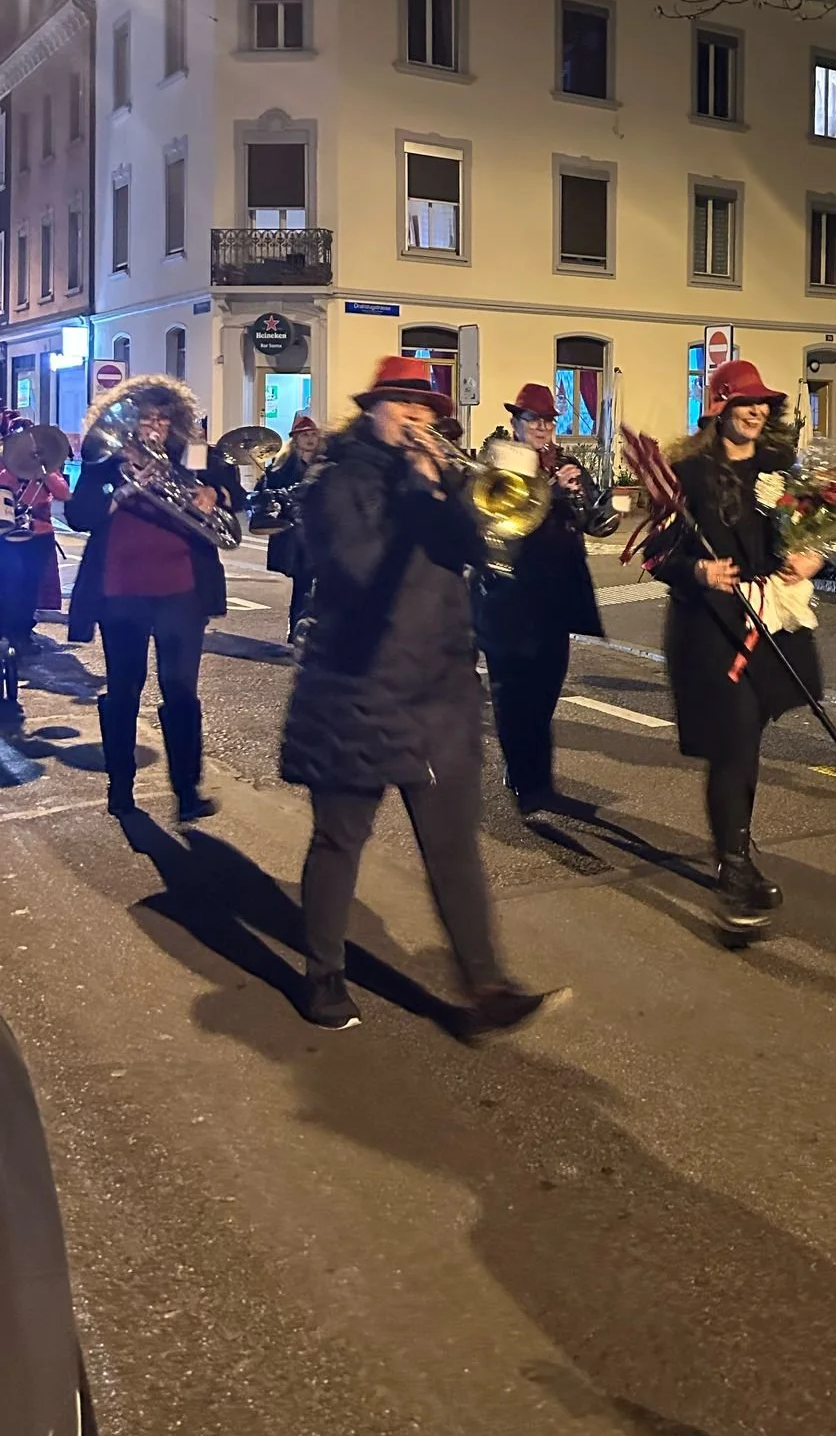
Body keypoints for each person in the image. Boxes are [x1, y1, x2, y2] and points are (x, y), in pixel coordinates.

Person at [279, 356, 569, 1034]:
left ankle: (487, 985)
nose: (419, 419)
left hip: (441, 687)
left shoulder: (442, 480)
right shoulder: (335, 482)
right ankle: (322, 975)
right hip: (356, 687)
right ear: (373, 409)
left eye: (428, 410)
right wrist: (417, 493)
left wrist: (479, 492)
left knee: (454, 846)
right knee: (339, 839)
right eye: (403, 405)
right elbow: (354, 573)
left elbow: (493, 545)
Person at [647, 359, 824, 934]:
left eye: (763, 404)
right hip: (711, 631)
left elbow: (816, 531)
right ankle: (735, 864)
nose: (756, 411)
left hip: (769, 620)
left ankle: (735, 851)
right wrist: (697, 572)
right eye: (744, 402)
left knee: (747, 739)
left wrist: (814, 556)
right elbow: (657, 554)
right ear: (719, 407)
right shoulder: (690, 473)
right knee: (736, 740)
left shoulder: (782, 468)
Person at [65, 375, 242, 822]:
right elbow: (79, 514)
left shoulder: (193, 455)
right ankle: (120, 788)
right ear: (128, 421)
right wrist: (124, 488)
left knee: (181, 690)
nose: (155, 427)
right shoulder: (104, 460)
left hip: (181, 591)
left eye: (163, 419)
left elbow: (233, 492)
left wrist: (212, 492)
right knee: (123, 689)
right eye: (146, 418)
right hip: (120, 591)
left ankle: (187, 790)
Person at [474, 381, 605, 814]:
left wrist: (583, 497)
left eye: (549, 420)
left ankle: (535, 775)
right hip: (508, 598)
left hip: (553, 596)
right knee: (513, 694)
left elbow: (594, 520)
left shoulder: (566, 465)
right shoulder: (498, 465)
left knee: (546, 690)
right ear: (516, 422)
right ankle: (529, 781)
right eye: (534, 420)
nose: (543, 427)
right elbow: (492, 520)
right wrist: (550, 489)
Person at [0, 425, 72, 650]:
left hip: (39, 534)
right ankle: (7, 631)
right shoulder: (5, 466)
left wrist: (44, 473)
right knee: (10, 584)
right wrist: (12, 472)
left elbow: (64, 493)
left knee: (31, 586)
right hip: (8, 534)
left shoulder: (46, 467)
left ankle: (23, 632)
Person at [257, 415, 323, 640]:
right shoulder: (281, 469)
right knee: (303, 584)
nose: (310, 439)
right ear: (295, 440)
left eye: (313, 434)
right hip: (297, 535)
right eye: (305, 435)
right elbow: (268, 497)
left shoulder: (324, 464)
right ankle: (296, 630)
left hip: (320, 532)